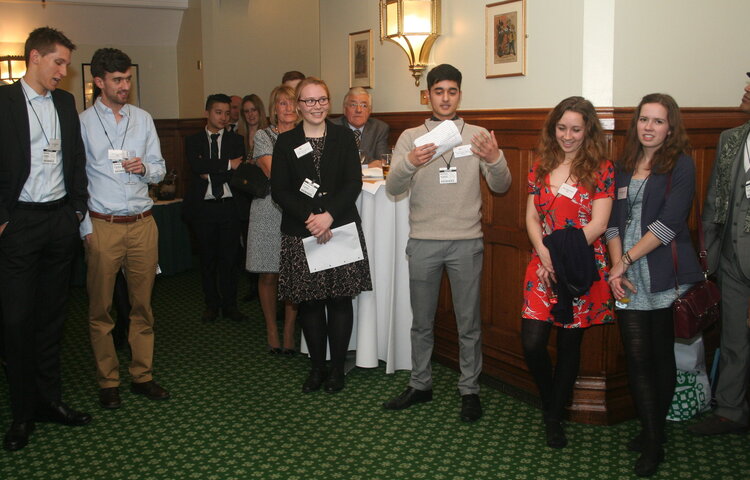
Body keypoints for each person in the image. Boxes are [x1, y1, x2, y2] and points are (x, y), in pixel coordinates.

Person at [383, 64, 512, 422]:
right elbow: (394, 188)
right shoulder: (410, 137)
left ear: (459, 94)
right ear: (428, 95)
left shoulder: (478, 135)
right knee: (421, 321)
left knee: (468, 323)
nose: (445, 98)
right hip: (423, 240)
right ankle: (420, 383)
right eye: (438, 91)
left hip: (466, 241)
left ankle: (469, 389)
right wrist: (408, 163)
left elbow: (501, 186)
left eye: (452, 91)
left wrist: (495, 158)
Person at [0, 26, 91, 451]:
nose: (63, 71)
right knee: (18, 322)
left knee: (54, 318)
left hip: (59, 222)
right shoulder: (3, 102)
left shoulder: (65, 101)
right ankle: (22, 414)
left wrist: (75, 209)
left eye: (66, 65)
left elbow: (74, 158)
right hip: (19, 224)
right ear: (34, 57)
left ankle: (49, 401)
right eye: (58, 62)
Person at [607, 93, 703, 477]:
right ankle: (652, 427)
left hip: (660, 273)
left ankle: (654, 438)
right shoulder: (624, 165)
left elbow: (668, 226)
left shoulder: (680, 166)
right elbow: (613, 222)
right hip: (626, 274)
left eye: (657, 121)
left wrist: (624, 262)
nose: (648, 127)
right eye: (643, 120)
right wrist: (617, 268)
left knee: (660, 357)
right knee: (636, 356)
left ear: (670, 127)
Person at [520, 96, 614, 449]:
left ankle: (554, 416)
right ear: (553, 128)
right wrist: (545, 255)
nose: (568, 136)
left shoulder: (601, 168)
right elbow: (531, 216)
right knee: (532, 341)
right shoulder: (541, 164)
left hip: (579, 266)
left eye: (576, 129)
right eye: (562, 128)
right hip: (542, 262)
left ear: (588, 129)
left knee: (569, 343)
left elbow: (601, 223)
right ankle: (551, 401)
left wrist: (560, 259)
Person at [79, 48, 169, 410]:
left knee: (142, 305)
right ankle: (108, 380)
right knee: (101, 309)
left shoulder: (142, 119)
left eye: (127, 78)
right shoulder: (82, 123)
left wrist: (144, 169)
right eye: (117, 80)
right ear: (98, 81)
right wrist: (85, 227)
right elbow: (75, 180)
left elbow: (160, 168)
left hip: (143, 223)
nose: (124, 86)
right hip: (103, 225)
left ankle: (142, 375)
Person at [271, 77, 372, 393]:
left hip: (339, 227)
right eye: (309, 101)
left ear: (329, 102)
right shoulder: (286, 142)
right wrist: (311, 219)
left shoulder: (344, 138)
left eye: (321, 100)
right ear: (299, 105)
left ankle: (337, 369)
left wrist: (327, 216)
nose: (316, 106)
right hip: (301, 232)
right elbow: (281, 190)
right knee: (311, 304)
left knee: (340, 301)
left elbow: (352, 183)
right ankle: (316, 368)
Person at [688, 73, 750, 436]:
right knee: (733, 338)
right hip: (730, 258)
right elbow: (713, 202)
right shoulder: (730, 139)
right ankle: (730, 410)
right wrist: (707, 260)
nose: (745, 89)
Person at [184, 94, 248, 323]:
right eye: (218, 112)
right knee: (207, 259)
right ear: (207, 112)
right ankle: (211, 304)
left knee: (229, 260)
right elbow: (197, 165)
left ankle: (230, 305)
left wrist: (212, 171)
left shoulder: (236, 141)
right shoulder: (193, 140)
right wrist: (228, 164)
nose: (223, 117)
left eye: (227, 113)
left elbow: (238, 172)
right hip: (203, 208)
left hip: (229, 207)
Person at [246, 85, 299, 354]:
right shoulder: (264, 137)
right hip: (268, 210)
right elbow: (273, 173)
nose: (288, 108)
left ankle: (289, 330)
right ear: (273, 109)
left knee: (292, 272)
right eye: (282, 104)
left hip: (298, 210)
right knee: (268, 273)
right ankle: (270, 328)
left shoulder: (307, 135)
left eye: (292, 103)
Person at [336, 87, 390, 167]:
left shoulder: (380, 128)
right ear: (344, 109)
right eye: (353, 105)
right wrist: (367, 166)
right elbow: (333, 163)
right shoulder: (333, 127)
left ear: (370, 110)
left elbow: (381, 162)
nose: (358, 110)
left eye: (364, 105)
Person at [237, 94, 268, 160]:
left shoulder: (269, 134)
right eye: (246, 111)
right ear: (243, 115)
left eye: (254, 110)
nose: (250, 114)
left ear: (260, 111)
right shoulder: (237, 136)